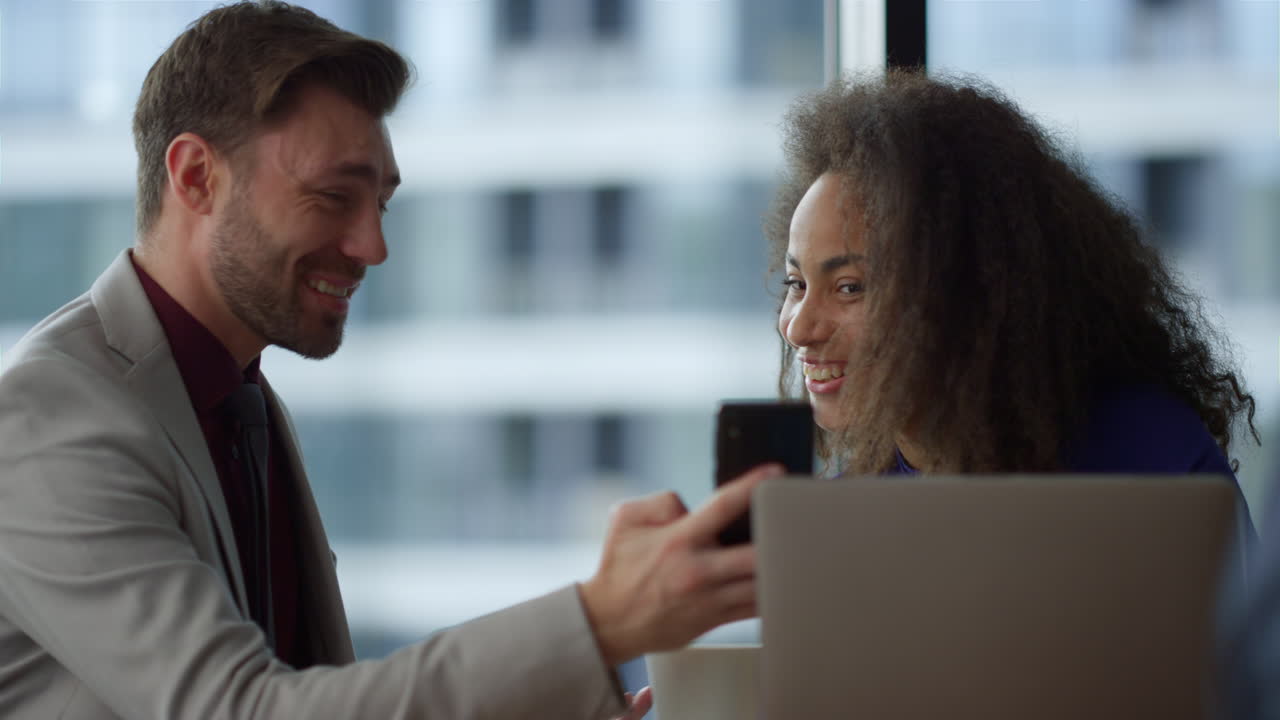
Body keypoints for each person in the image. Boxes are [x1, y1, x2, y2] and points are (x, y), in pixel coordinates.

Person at [0, 3, 774, 718]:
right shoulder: (51, 419)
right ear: (197, 176)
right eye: (335, 197)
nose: (374, 246)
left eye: (382, 203)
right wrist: (599, 621)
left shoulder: (236, 398)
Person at [767, 70, 1258, 491]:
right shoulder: (842, 514)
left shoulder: (1154, 456)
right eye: (796, 284)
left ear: (965, 290)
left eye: (850, 287)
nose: (798, 328)